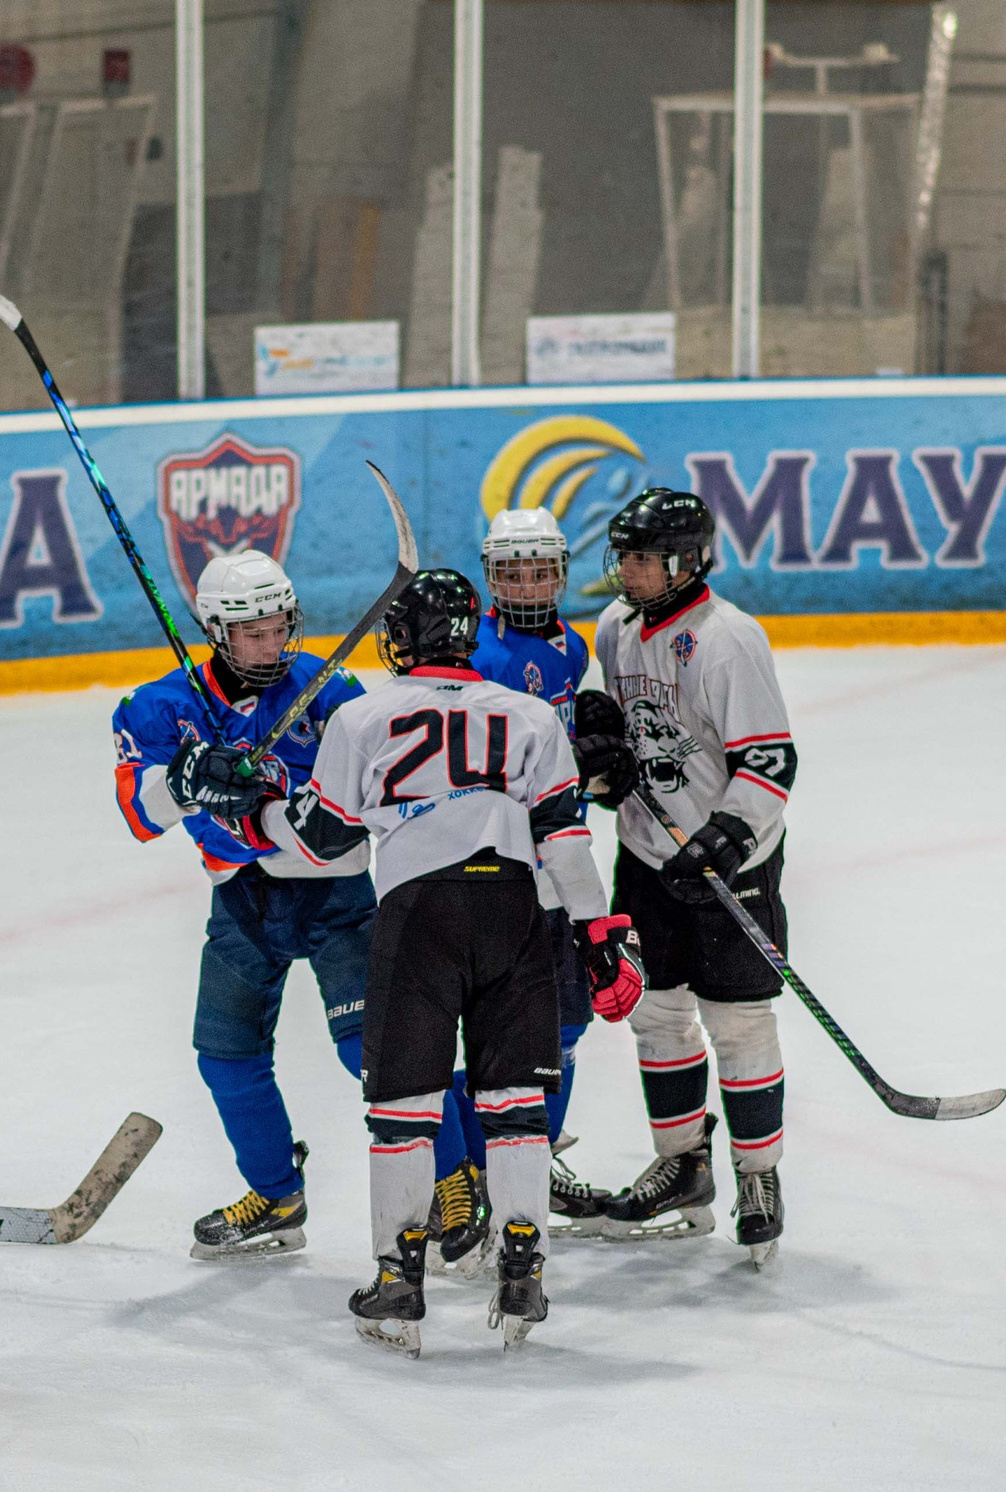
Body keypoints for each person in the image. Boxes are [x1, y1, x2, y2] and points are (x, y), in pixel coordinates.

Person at [181, 568, 641, 1354]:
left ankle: (399, 1275)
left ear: (401, 641)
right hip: (516, 912)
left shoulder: (362, 717)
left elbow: (324, 839)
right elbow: (567, 840)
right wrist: (598, 936)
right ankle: (522, 1263)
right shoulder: (530, 715)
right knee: (514, 1106)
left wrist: (246, 803)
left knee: (403, 1110)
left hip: (417, 915)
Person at [110, 550, 372, 1260]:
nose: (272, 644)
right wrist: (186, 777)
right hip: (245, 902)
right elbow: (138, 813)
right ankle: (277, 1194)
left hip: (336, 893)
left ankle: (457, 1180)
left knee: (378, 1056)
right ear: (216, 631)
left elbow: (382, 773)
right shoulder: (163, 708)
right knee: (226, 1057)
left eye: (280, 626)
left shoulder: (328, 688)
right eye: (253, 632)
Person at [577, 488, 797, 1262]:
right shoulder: (614, 629)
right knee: (658, 1014)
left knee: (737, 1021)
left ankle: (759, 1174)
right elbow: (623, 749)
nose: (629, 571)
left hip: (729, 865)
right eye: (625, 556)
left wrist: (726, 837)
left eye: (645, 558)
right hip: (645, 859)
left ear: (688, 560)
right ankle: (683, 1163)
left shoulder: (728, 639)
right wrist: (603, 771)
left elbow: (770, 761)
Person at [424, 509, 615, 1272]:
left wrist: (603, 761)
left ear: (562, 571)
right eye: (514, 571)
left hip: (562, 868)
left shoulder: (576, 647)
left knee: (567, 1028)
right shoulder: (477, 654)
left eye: (542, 569)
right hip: (499, 871)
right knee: (497, 1033)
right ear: (491, 576)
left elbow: (579, 762)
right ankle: (476, 1167)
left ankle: (531, 1159)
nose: (530, 583)